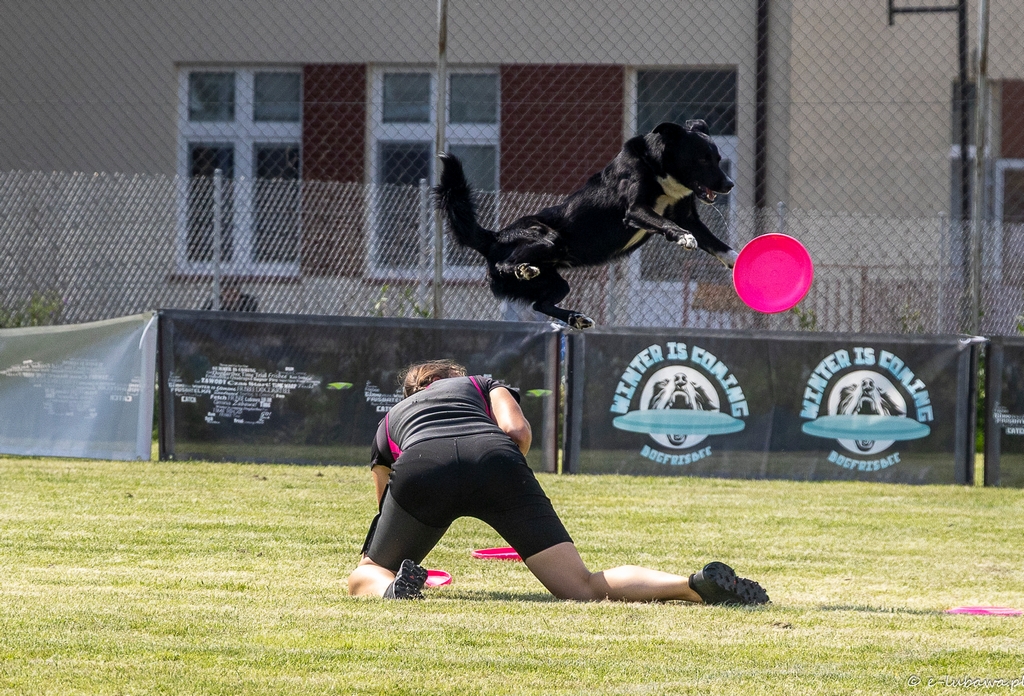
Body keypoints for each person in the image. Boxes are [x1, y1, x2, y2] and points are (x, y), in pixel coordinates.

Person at [347, 359, 769, 604]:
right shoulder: (480, 383)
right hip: (496, 459)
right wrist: (503, 475)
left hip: (421, 466)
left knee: (368, 572)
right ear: (454, 376)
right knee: (581, 586)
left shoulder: (390, 420)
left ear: (412, 393)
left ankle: (392, 588)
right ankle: (691, 586)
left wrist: (389, 546)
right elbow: (517, 431)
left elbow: (385, 499)